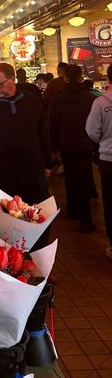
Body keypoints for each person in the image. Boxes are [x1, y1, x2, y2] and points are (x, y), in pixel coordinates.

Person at [0, 63, 51, 204]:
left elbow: (43, 133)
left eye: (0, 84)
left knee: (37, 211)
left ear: (12, 79)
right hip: (4, 171)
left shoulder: (32, 101)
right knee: (8, 212)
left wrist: (47, 163)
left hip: (33, 168)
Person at [48, 64, 96, 232]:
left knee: (70, 178)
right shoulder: (89, 98)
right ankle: (85, 219)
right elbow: (95, 124)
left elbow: (52, 123)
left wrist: (53, 146)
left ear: (66, 78)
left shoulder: (58, 98)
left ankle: (73, 208)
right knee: (84, 178)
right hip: (85, 144)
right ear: (81, 76)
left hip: (65, 143)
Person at [86, 64, 112, 260]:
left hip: (108, 158)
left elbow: (92, 131)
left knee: (110, 202)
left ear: (107, 79)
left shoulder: (101, 103)